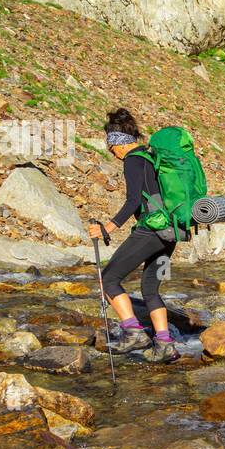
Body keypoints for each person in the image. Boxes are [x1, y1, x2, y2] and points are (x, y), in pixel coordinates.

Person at [87, 108, 179, 364]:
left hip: (151, 232)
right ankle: (165, 344)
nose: (111, 152)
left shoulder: (133, 160)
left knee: (108, 279)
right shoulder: (151, 158)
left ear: (119, 142)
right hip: (171, 236)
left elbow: (133, 200)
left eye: (110, 146)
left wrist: (107, 228)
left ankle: (134, 331)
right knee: (150, 287)